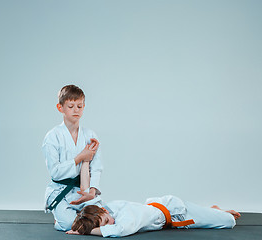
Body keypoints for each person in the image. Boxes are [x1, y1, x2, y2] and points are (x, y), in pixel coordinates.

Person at [42, 84, 103, 231]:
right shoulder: (52, 137)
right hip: (60, 191)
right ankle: (60, 217)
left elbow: (96, 167)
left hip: (84, 190)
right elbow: (55, 172)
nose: (76, 110)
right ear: (60, 107)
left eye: (79, 106)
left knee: (100, 220)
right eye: (71, 106)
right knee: (71, 225)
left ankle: (81, 209)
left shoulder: (90, 135)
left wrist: (92, 191)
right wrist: (80, 157)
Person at [67, 195, 241, 237]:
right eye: (104, 225)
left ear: (104, 211)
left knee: (228, 221)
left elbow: (119, 230)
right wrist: (80, 227)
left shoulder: (126, 216)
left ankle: (217, 212)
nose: (109, 224)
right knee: (215, 217)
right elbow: (91, 212)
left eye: (106, 222)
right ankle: (212, 211)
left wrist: (89, 232)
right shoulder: (107, 210)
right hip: (162, 209)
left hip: (178, 213)